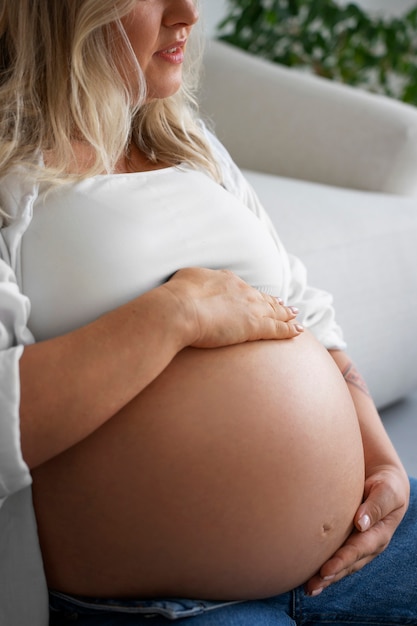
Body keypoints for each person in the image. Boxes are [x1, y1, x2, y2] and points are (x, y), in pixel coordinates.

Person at [0, 1, 416, 625]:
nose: (188, 11)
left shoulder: (186, 141)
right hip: (171, 607)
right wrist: (173, 315)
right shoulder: (12, 174)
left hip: (355, 554)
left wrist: (382, 460)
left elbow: (302, 307)